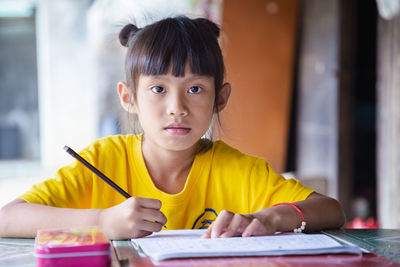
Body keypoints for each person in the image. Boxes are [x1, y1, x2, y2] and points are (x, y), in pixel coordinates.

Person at [0, 16, 345, 239]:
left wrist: (270, 219)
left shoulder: (238, 170)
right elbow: (7, 218)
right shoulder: (103, 161)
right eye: (158, 89)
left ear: (220, 98)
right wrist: (103, 222)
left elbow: (331, 209)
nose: (177, 108)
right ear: (129, 97)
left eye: (195, 89)